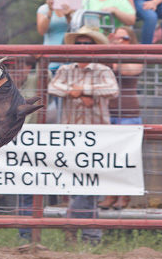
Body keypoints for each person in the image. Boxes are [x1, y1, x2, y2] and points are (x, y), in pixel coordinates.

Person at [48, 26, 119, 244]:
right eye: (78, 43)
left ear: (94, 48)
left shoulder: (103, 70)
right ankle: (90, 233)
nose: (81, 47)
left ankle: (75, 226)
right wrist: (78, 92)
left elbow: (113, 90)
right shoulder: (65, 69)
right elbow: (53, 87)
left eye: (86, 43)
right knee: (76, 181)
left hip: (96, 136)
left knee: (90, 182)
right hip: (71, 134)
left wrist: (83, 91)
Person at [99, 26, 143, 210]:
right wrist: (109, 47)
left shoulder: (135, 56)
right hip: (108, 112)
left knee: (127, 157)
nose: (118, 41)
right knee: (109, 156)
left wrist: (115, 51)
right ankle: (110, 195)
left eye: (123, 38)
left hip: (128, 112)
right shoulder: (109, 56)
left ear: (131, 40)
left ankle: (124, 196)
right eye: (115, 37)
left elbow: (129, 71)